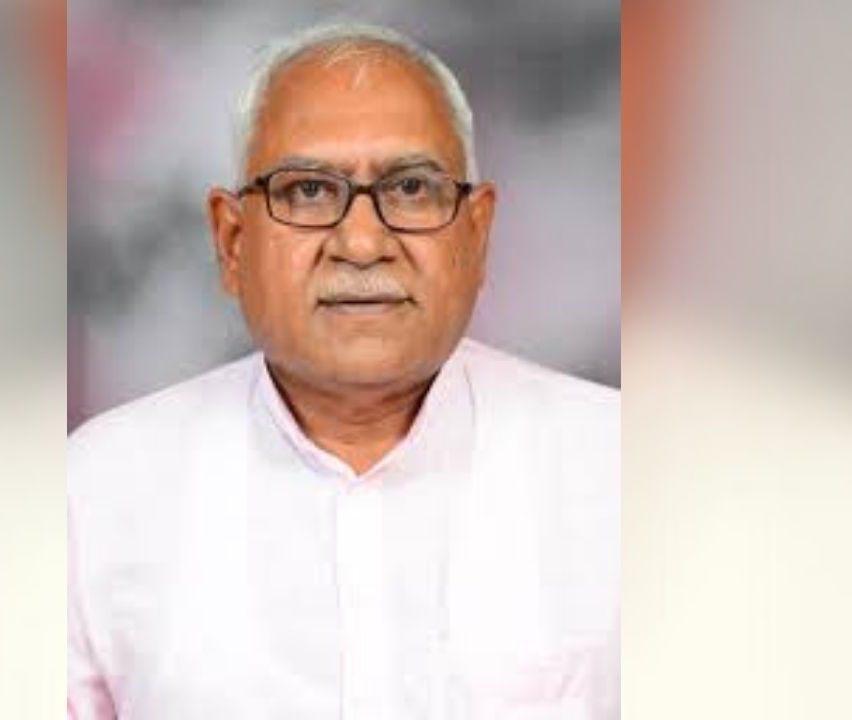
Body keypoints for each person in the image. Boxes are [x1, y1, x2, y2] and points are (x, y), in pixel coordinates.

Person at [68, 22, 619, 720]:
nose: (361, 242)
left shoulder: (621, 468)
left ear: (477, 235)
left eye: (411, 188)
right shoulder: (97, 492)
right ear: (232, 241)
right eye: (306, 191)